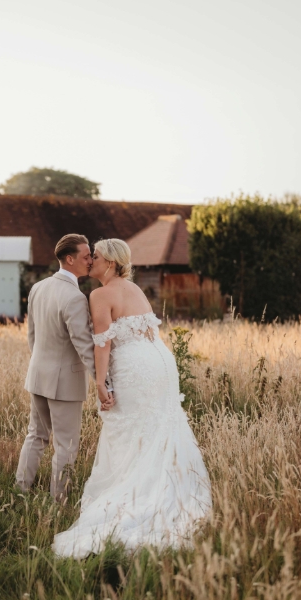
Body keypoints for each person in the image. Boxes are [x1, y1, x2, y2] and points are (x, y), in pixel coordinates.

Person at [53, 238, 212, 558]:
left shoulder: (99, 294)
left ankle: (137, 499)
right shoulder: (135, 289)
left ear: (109, 262)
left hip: (135, 369)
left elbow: (102, 344)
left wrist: (100, 383)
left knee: (128, 429)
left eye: (94, 257)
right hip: (161, 364)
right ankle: (171, 492)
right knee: (158, 427)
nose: (90, 261)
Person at [15, 234, 114, 502]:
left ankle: (20, 492)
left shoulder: (39, 287)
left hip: (37, 375)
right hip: (64, 384)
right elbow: (84, 346)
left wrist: (41, 366)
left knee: (35, 436)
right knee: (66, 445)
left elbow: (31, 337)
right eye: (86, 256)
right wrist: (102, 382)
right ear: (70, 259)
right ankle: (59, 504)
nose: (90, 259)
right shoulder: (74, 297)